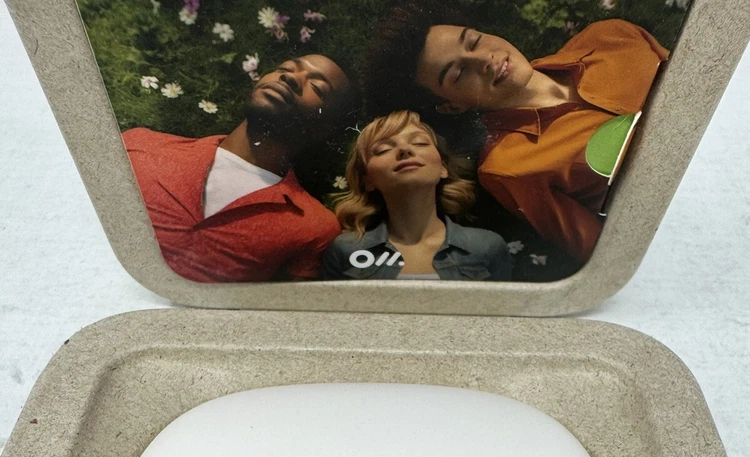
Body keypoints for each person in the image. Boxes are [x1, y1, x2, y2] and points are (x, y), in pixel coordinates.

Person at [365, 8, 668, 262]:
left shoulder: (610, 35)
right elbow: (607, 251)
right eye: (458, 73)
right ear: (452, 106)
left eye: (474, 41)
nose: (484, 60)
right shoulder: (507, 168)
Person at [123, 55, 356, 282]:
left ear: (326, 128)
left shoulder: (313, 227)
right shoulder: (139, 145)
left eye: (317, 87)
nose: (291, 78)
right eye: (285, 68)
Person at [321, 110, 510, 281]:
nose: (405, 150)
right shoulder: (346, 250)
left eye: (420, 143)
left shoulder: (486, 247)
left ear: (443, 168)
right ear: (367, 180)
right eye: (383, 149)